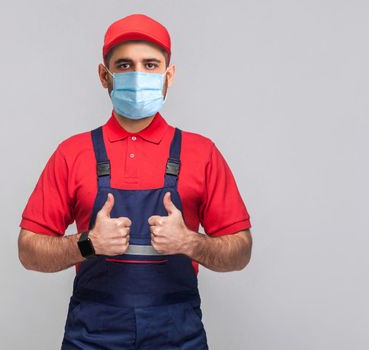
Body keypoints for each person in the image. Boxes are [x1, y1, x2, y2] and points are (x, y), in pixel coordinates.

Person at [17, 13, 253, 350]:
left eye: (151, 65)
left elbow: (240, 251)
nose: (138, 74)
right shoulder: (72, 153)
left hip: (177, 333)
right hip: (94, 334)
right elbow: (29, 250)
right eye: (125, 65)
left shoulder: (202, 153)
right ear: (104, 75)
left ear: (168, 77)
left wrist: (190, 243)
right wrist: (88, 244)